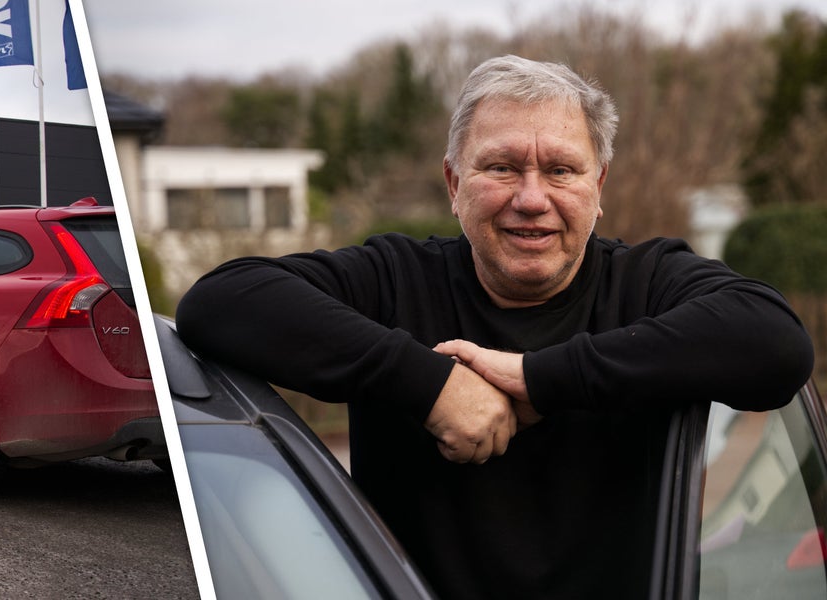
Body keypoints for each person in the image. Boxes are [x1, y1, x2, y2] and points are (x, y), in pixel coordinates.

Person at [175, 55, 815, 599]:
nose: (531, 198)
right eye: (501, 167)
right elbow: (220, 301)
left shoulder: (650, 285)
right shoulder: (394, 278)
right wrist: (430, 386)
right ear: (455, 183)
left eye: (561, 170)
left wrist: (543, 378)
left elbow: (775, 345)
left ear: (600, 185)